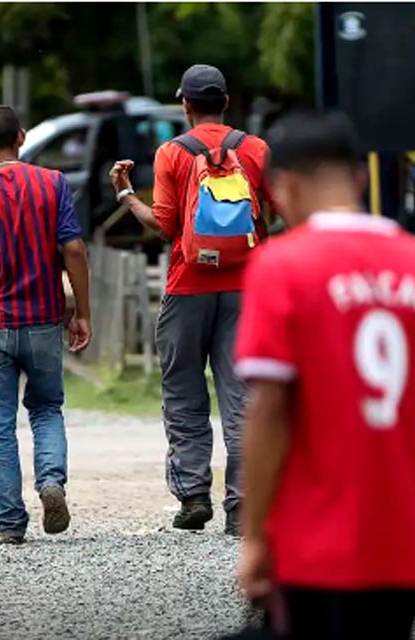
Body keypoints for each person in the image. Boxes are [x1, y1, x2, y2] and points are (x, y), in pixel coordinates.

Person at [236, 111, 415, 639]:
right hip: (405, 536)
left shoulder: (284, 266)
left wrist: (253, 536)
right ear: (360, 178)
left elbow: (270, 410)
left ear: (285, 187)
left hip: (314, 538)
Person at [109, 64, 277, 535]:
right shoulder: (256, 149)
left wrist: (126, 195)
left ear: (185, 105)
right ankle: (243, 504)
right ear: (226, 102)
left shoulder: (173, 153)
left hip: (187, 286)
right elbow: (282, 212)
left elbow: (164, 225)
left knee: (184, 391)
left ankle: (193, 496)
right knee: (241, 394)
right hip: (247, 290)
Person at [0, 105, 92, 544]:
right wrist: (81, 310)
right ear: (22, 137)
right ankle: (51, 482)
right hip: (45, 318)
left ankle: (10, 523)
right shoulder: (52, 184)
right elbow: (75, 250)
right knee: (46, 409)